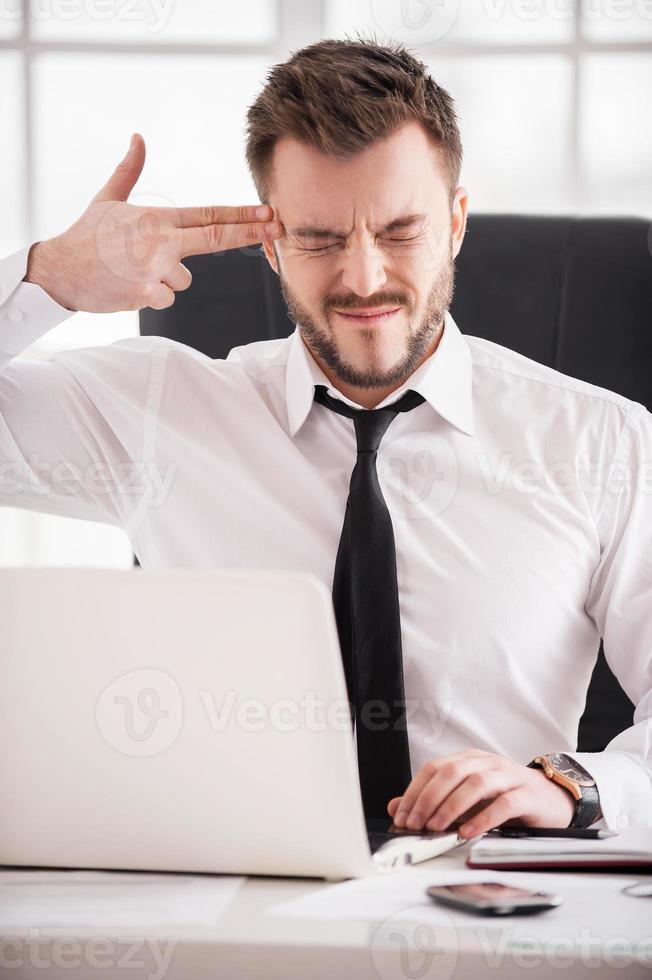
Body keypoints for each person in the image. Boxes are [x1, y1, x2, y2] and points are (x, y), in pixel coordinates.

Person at [1, 37, 650, 837]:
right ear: (270, 244)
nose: (364, 277)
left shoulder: (602, 443)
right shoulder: (158, 413)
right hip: (226, 917)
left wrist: (579, 788)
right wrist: (45, 280)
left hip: (491, 910)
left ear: (455, 224)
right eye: (319, 238)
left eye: (400, 229)